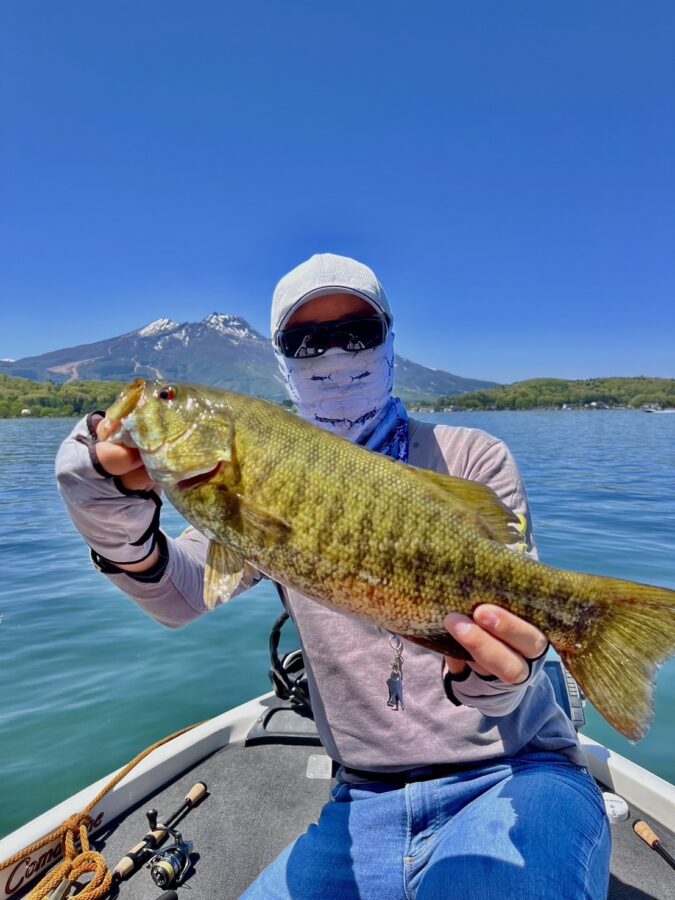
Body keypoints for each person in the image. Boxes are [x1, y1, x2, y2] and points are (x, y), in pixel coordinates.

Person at [56, 253, 611, 899]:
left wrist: (494, 679)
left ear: (388, 338)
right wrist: (114, 523)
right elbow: (181, 596)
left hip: (514, 773)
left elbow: (512, 635)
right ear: (282, 358)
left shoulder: (471, 456)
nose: (335, 354)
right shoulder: (252, 467)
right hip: (359, 801)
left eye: (357, 331)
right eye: (308, 340)